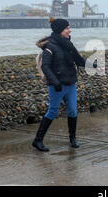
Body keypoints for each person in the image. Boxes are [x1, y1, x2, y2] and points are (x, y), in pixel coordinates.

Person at [33, 18, 94, 151]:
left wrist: (93, 65)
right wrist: (55, 82)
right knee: (53, 111)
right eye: (67, 28)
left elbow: (79, 60)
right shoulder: (50, 46)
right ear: (60, 30)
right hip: (57, 85)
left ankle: (72, 138)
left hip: (70, 83)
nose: (69, 30)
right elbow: (46, 67)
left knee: (73, 111)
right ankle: (37, 140)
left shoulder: (68, 44)